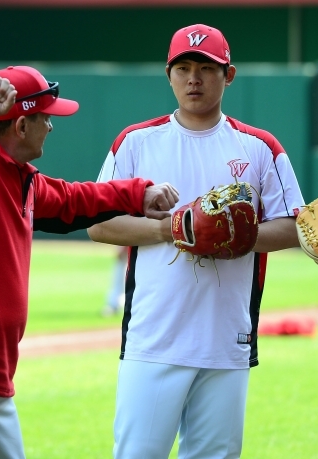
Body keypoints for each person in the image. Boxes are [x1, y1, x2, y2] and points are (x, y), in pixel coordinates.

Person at [0, 65, 178, 459]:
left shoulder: (21, 178)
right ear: (21, 126)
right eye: (46, 117)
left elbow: (74, 200)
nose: (52, 125)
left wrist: (138, 195)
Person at [87, 24, 305, 459]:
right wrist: (172, 230)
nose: (194, 78)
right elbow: (98, 224)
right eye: (183, 67)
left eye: (207, 68)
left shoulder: (260, 147)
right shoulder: (136, 142)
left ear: (229, 75)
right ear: (168, 74)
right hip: (154, 338)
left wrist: (236, 237)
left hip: (226, 339)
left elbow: (294, 226)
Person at [103, 246, 128, 316]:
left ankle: (115, 305)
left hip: (129, 254)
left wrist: (123, 249)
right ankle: (114, 305)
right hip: (127, 253)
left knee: (122, 283)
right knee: (119, 282)